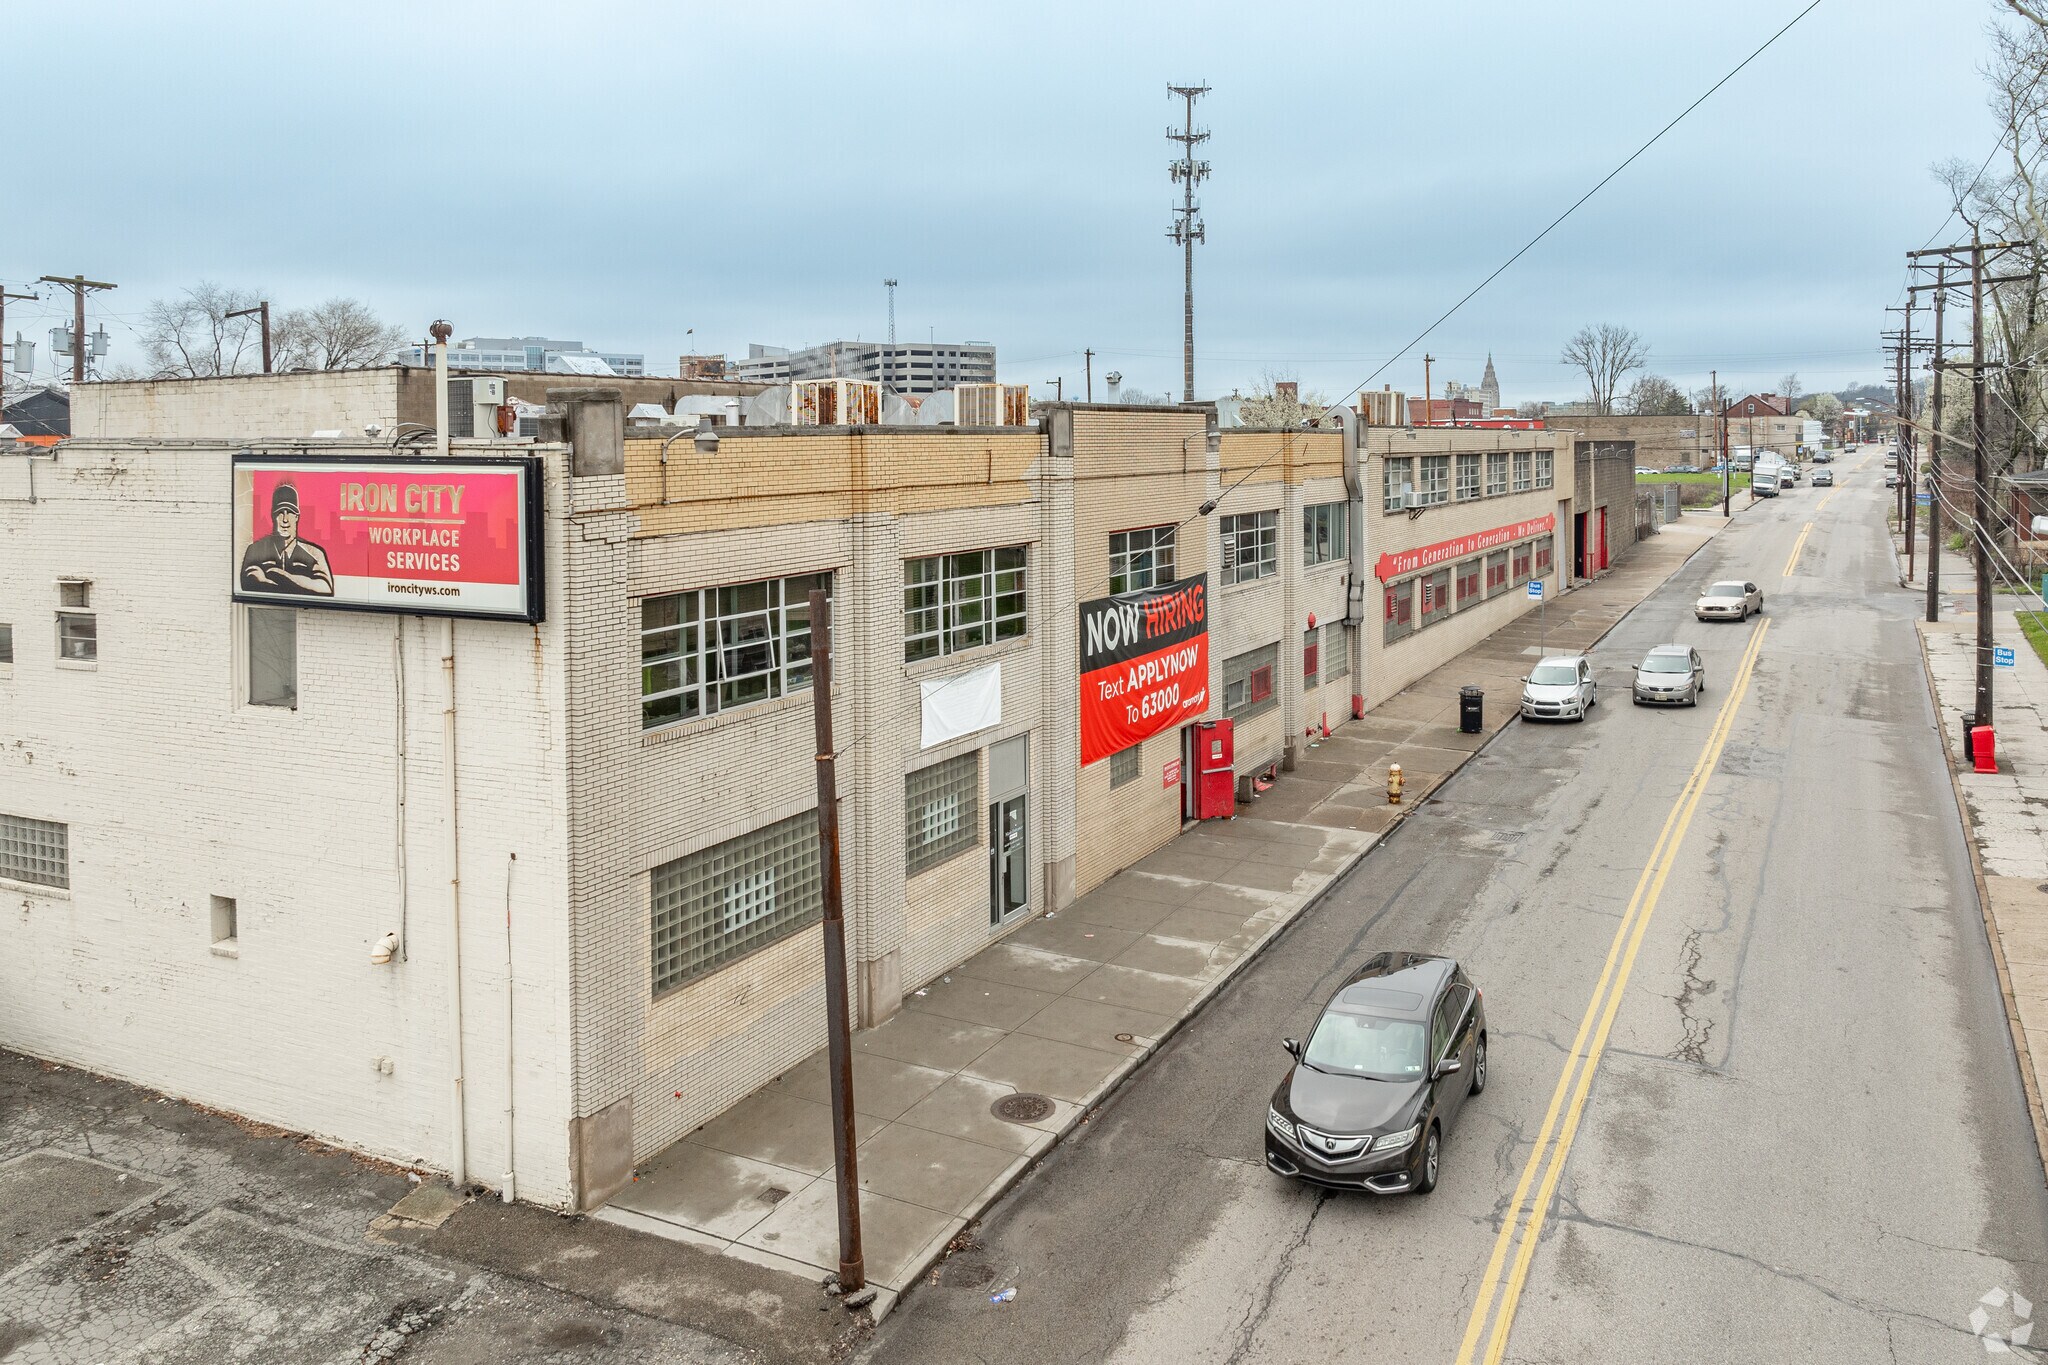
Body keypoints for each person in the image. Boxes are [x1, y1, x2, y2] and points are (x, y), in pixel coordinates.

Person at [240, 480, 334, 596]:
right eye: (280, 512)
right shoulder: (255, 550)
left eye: (290, 512)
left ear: (296, 517)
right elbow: (248, 584)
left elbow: (326, 588)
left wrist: (284, 577)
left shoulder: (315, 553)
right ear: (272, 515)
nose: (285, 519)